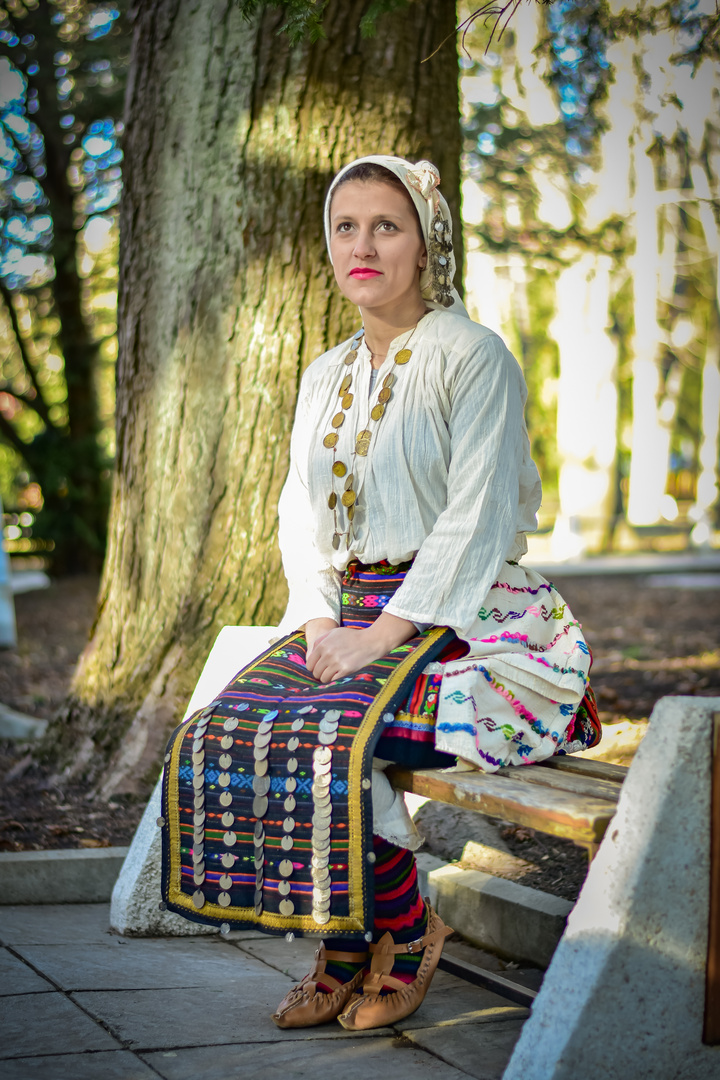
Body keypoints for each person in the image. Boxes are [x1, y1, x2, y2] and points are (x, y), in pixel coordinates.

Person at [160, 154, 600, 1032]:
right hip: (352, 613)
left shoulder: (474, 356)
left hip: (477, 622)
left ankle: (391, 932)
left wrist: (379, 637)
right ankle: (356, 936)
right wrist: (324, 620)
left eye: (386, 226)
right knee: (227, 728)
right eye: (346, 227)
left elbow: (474, 520)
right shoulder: (324, 373)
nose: (363, 245)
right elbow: (300, 514)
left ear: (426, 242)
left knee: (332, 731)